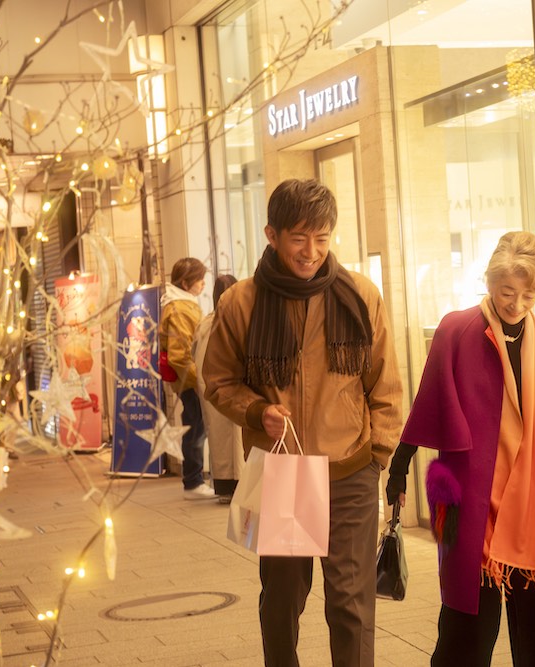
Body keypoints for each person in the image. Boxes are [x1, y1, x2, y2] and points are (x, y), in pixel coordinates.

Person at [385, 231, 535, 667]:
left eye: (529, 295)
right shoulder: (457, 329)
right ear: (490, 282)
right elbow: (428, 402)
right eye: (507, 292)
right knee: (466, 626)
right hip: (471, 496)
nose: (517, 304)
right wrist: (399, 470)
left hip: (532, 502)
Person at [203, 178, 403, 666]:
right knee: (282, 603)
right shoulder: (242, 302)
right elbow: (219, 381)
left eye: (322, 238)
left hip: (350, 471)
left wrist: (376, 455)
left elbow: (385, 384)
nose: (311, 252)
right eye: (298, 238)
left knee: (351, 605)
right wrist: (257, 411)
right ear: (272, 235)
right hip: (284, 473)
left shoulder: (360, 295)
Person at [160, 257, 214, 500]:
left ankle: (194, 480)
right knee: (195, 428)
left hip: (189, 379)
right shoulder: (180, 308)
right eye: (199, 279)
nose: (203, 283)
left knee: (196, 427)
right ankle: (193, 482)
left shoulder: (182, 304)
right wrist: (199, 380)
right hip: (190, 381)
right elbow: (180, 355)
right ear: (185, 283)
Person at [192, 274, 243, 504]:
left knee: (219, 438)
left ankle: (224, 487)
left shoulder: (205, 324)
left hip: (210, 390)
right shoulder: (238, 321)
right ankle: (240, 485)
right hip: (236, 387)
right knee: (237, 438)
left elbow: (194, 355)